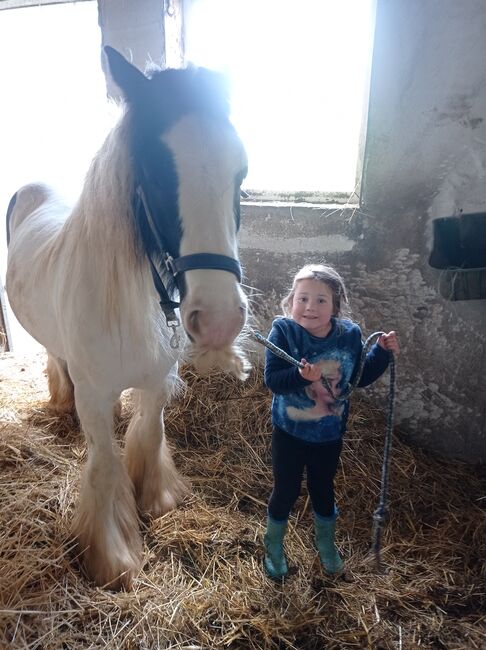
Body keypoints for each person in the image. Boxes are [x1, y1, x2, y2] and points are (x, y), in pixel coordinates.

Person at [263, 263, 400, 580]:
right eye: (303, 298)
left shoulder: (349, 335)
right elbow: (273, 380)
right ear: (291, 300)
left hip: (328, 435)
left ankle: (325, 544)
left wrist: (381, 354)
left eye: (321, 300)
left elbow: (358, 379)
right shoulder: (283, 331)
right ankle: (273, 545)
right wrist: (299, 376)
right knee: (285, 490)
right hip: (290, 432)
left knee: (323, 488)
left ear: (335, 305)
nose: (310, 307)